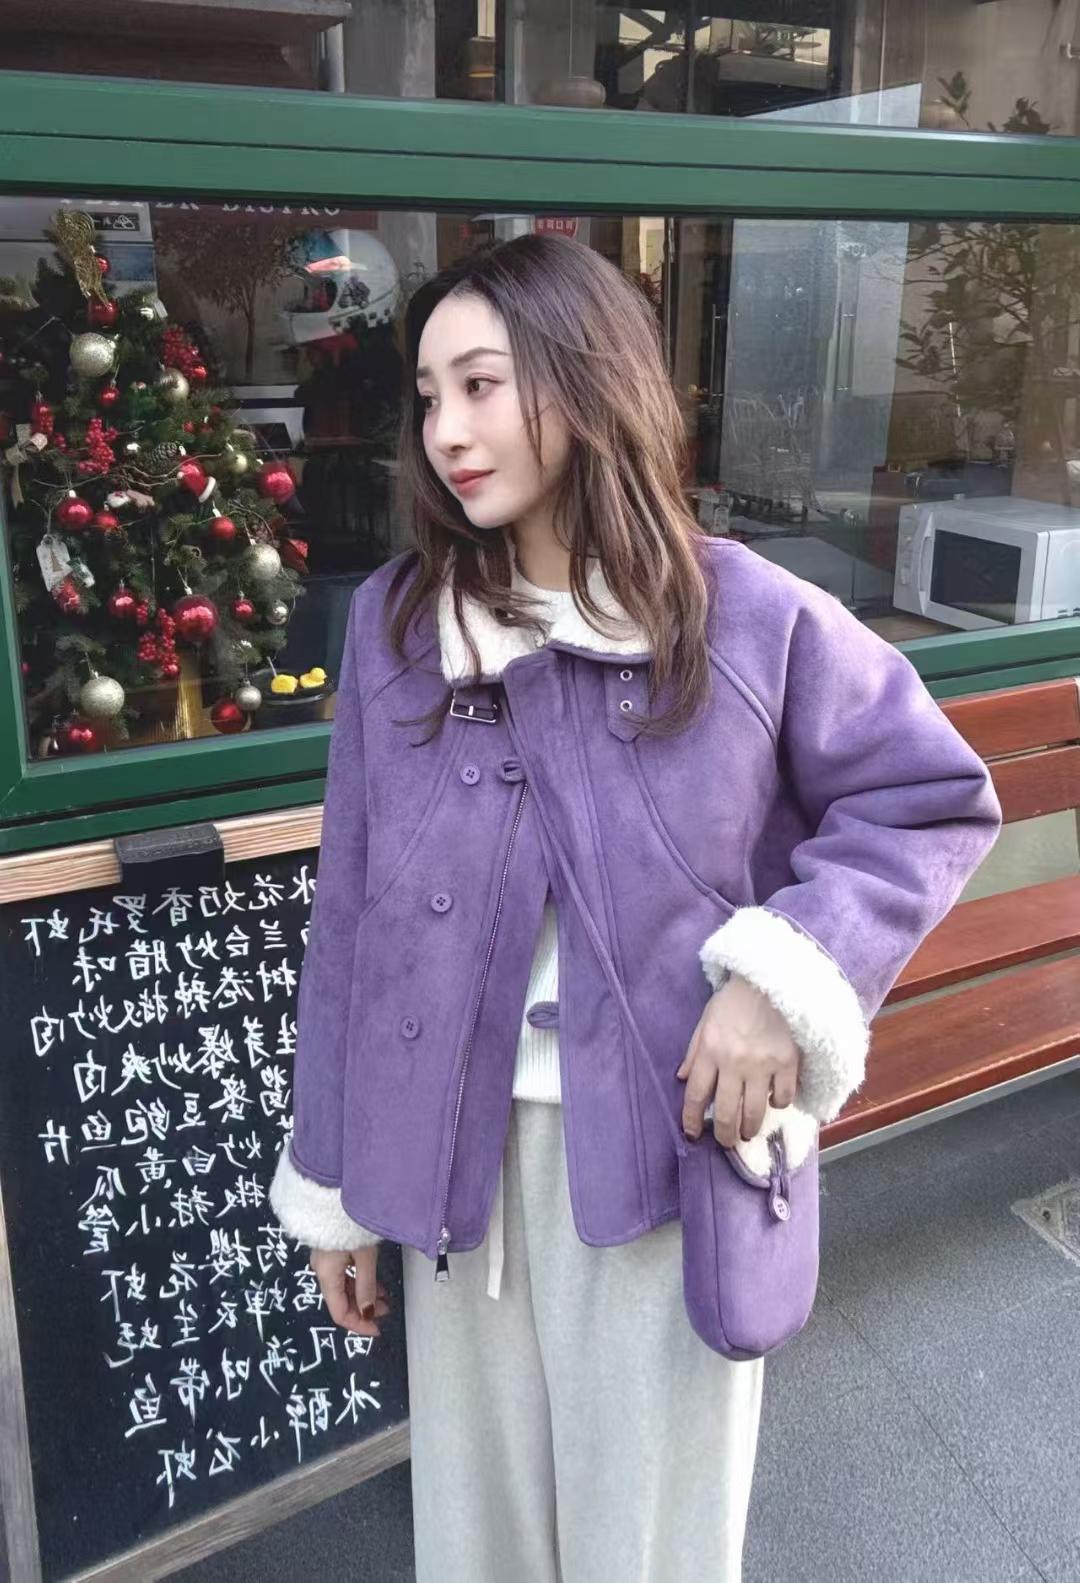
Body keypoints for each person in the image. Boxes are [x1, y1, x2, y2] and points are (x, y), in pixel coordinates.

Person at [270, 233, 1002, 1581]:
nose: (448, 431)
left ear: (583, 376)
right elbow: (355, 917)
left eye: (483, 385)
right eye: (428, 397)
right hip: (448, 1156)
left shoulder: (742, 617)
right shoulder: (400, 627)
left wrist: (779, 980)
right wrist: (331, 1184)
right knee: (477, 1549)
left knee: (649, 1550)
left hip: (667, 1157)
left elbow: (927, 799)